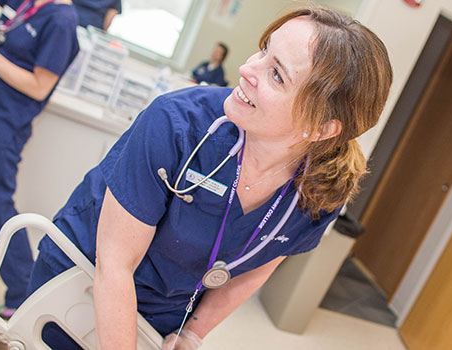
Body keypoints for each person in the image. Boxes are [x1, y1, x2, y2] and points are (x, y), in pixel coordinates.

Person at [27, 5, 392, 349]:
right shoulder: (176, 125)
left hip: (165, 314)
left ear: (322, 127)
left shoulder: (322, 190)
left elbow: (256, 270)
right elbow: (115, 265)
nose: (249, 68)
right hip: (80, 276)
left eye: (276, 74)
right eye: (264, 49)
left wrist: (193, 334)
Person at [0, 0, 79, 319]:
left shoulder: (62, 21)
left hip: (2, 123)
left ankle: (22, 291)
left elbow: (39, 87)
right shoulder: (29, 3)